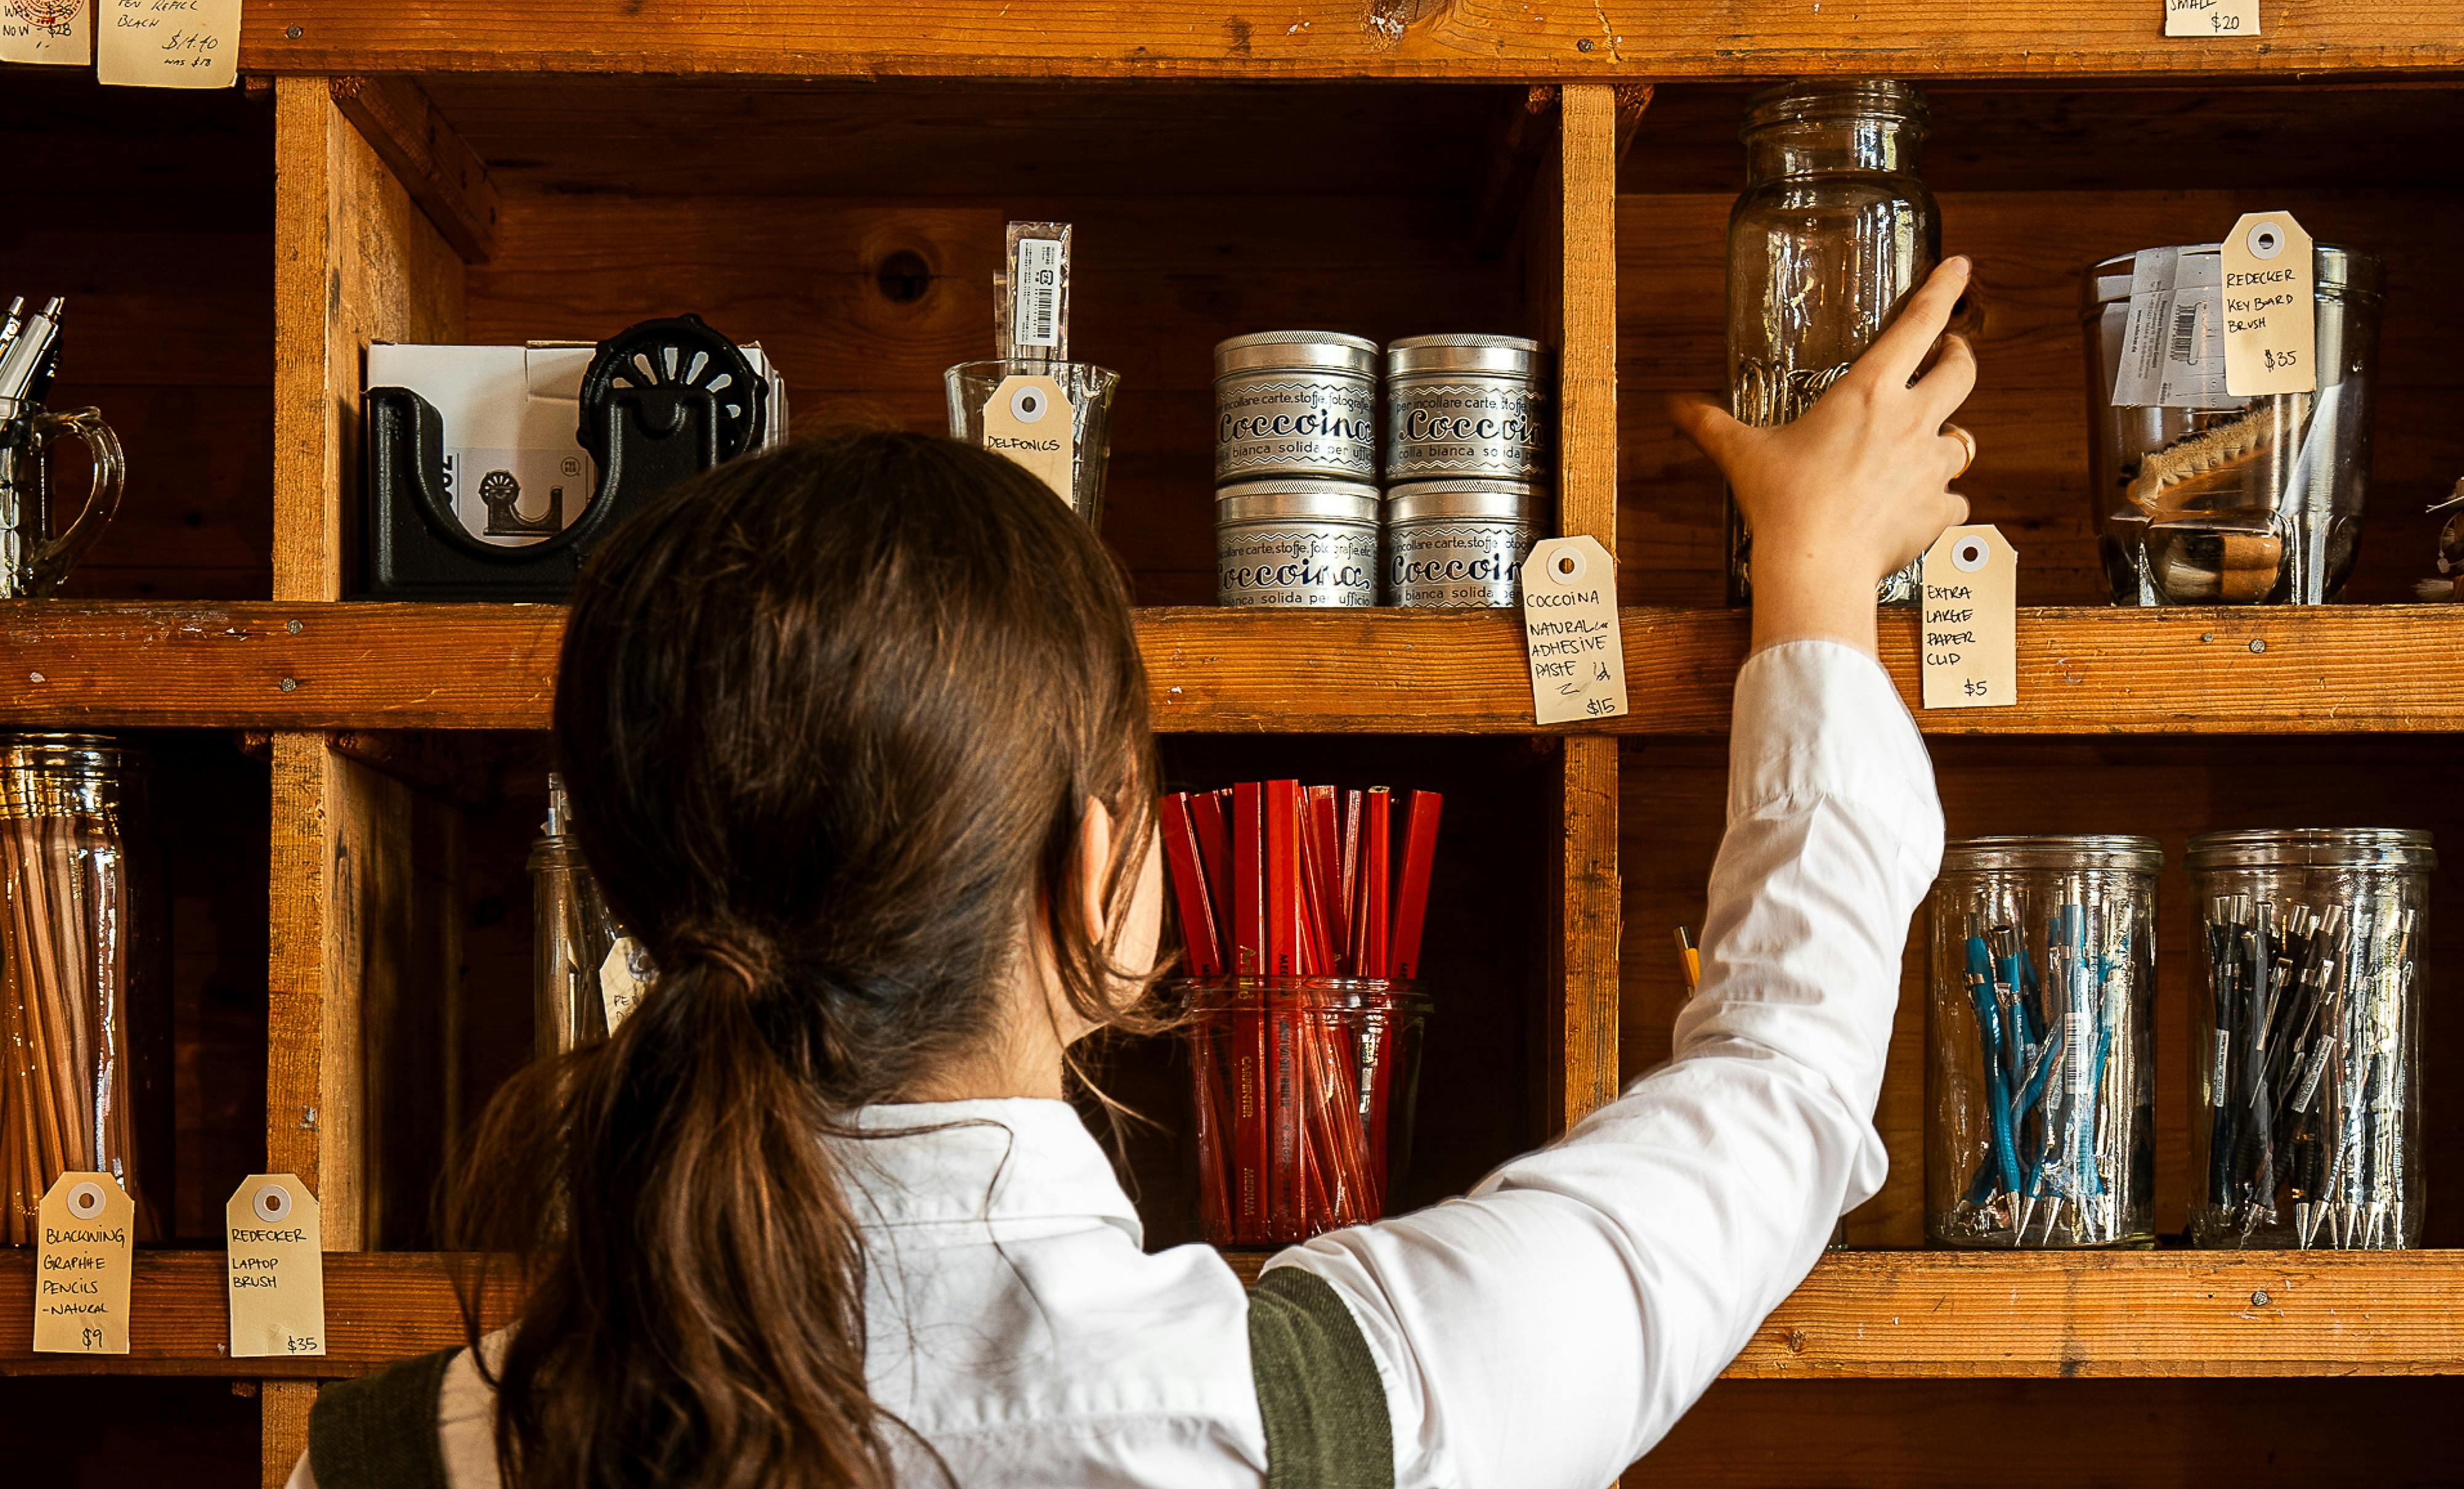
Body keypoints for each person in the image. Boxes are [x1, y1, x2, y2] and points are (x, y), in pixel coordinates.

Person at [294, 257, 1977, 1489]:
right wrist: (1814, 576)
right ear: (1103, 877)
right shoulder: (1350, 1410)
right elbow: (1780, 1084)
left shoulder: (386, 1461)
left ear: (627, 897)